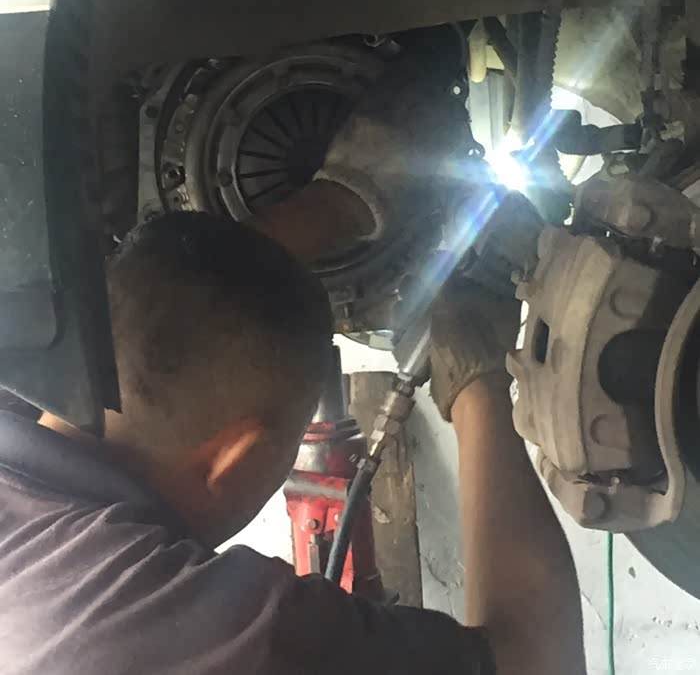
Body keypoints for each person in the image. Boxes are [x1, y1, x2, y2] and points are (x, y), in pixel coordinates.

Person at [0, 56, 586, 675]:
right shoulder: (187, 629)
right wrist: (476, 382)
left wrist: (342, 204)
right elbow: (536, 662)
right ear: (239, 457)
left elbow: (154, 309)